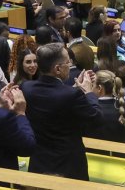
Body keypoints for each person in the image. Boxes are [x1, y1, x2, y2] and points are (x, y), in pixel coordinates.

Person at [20, 43, 103, 180]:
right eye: (67, 63)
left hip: (39, 161)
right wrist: (89, 93)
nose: (70, 65)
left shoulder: (26, 87)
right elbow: (96, 118)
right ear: (57, 69)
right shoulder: (73, 95)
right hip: (68, 165)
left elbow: (55, 97)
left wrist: (75, 88)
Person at [88, 69, 125, 143]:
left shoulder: (90, 109)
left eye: (92, 85)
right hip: (121, 153)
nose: (91, 88)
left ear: (100, 88)